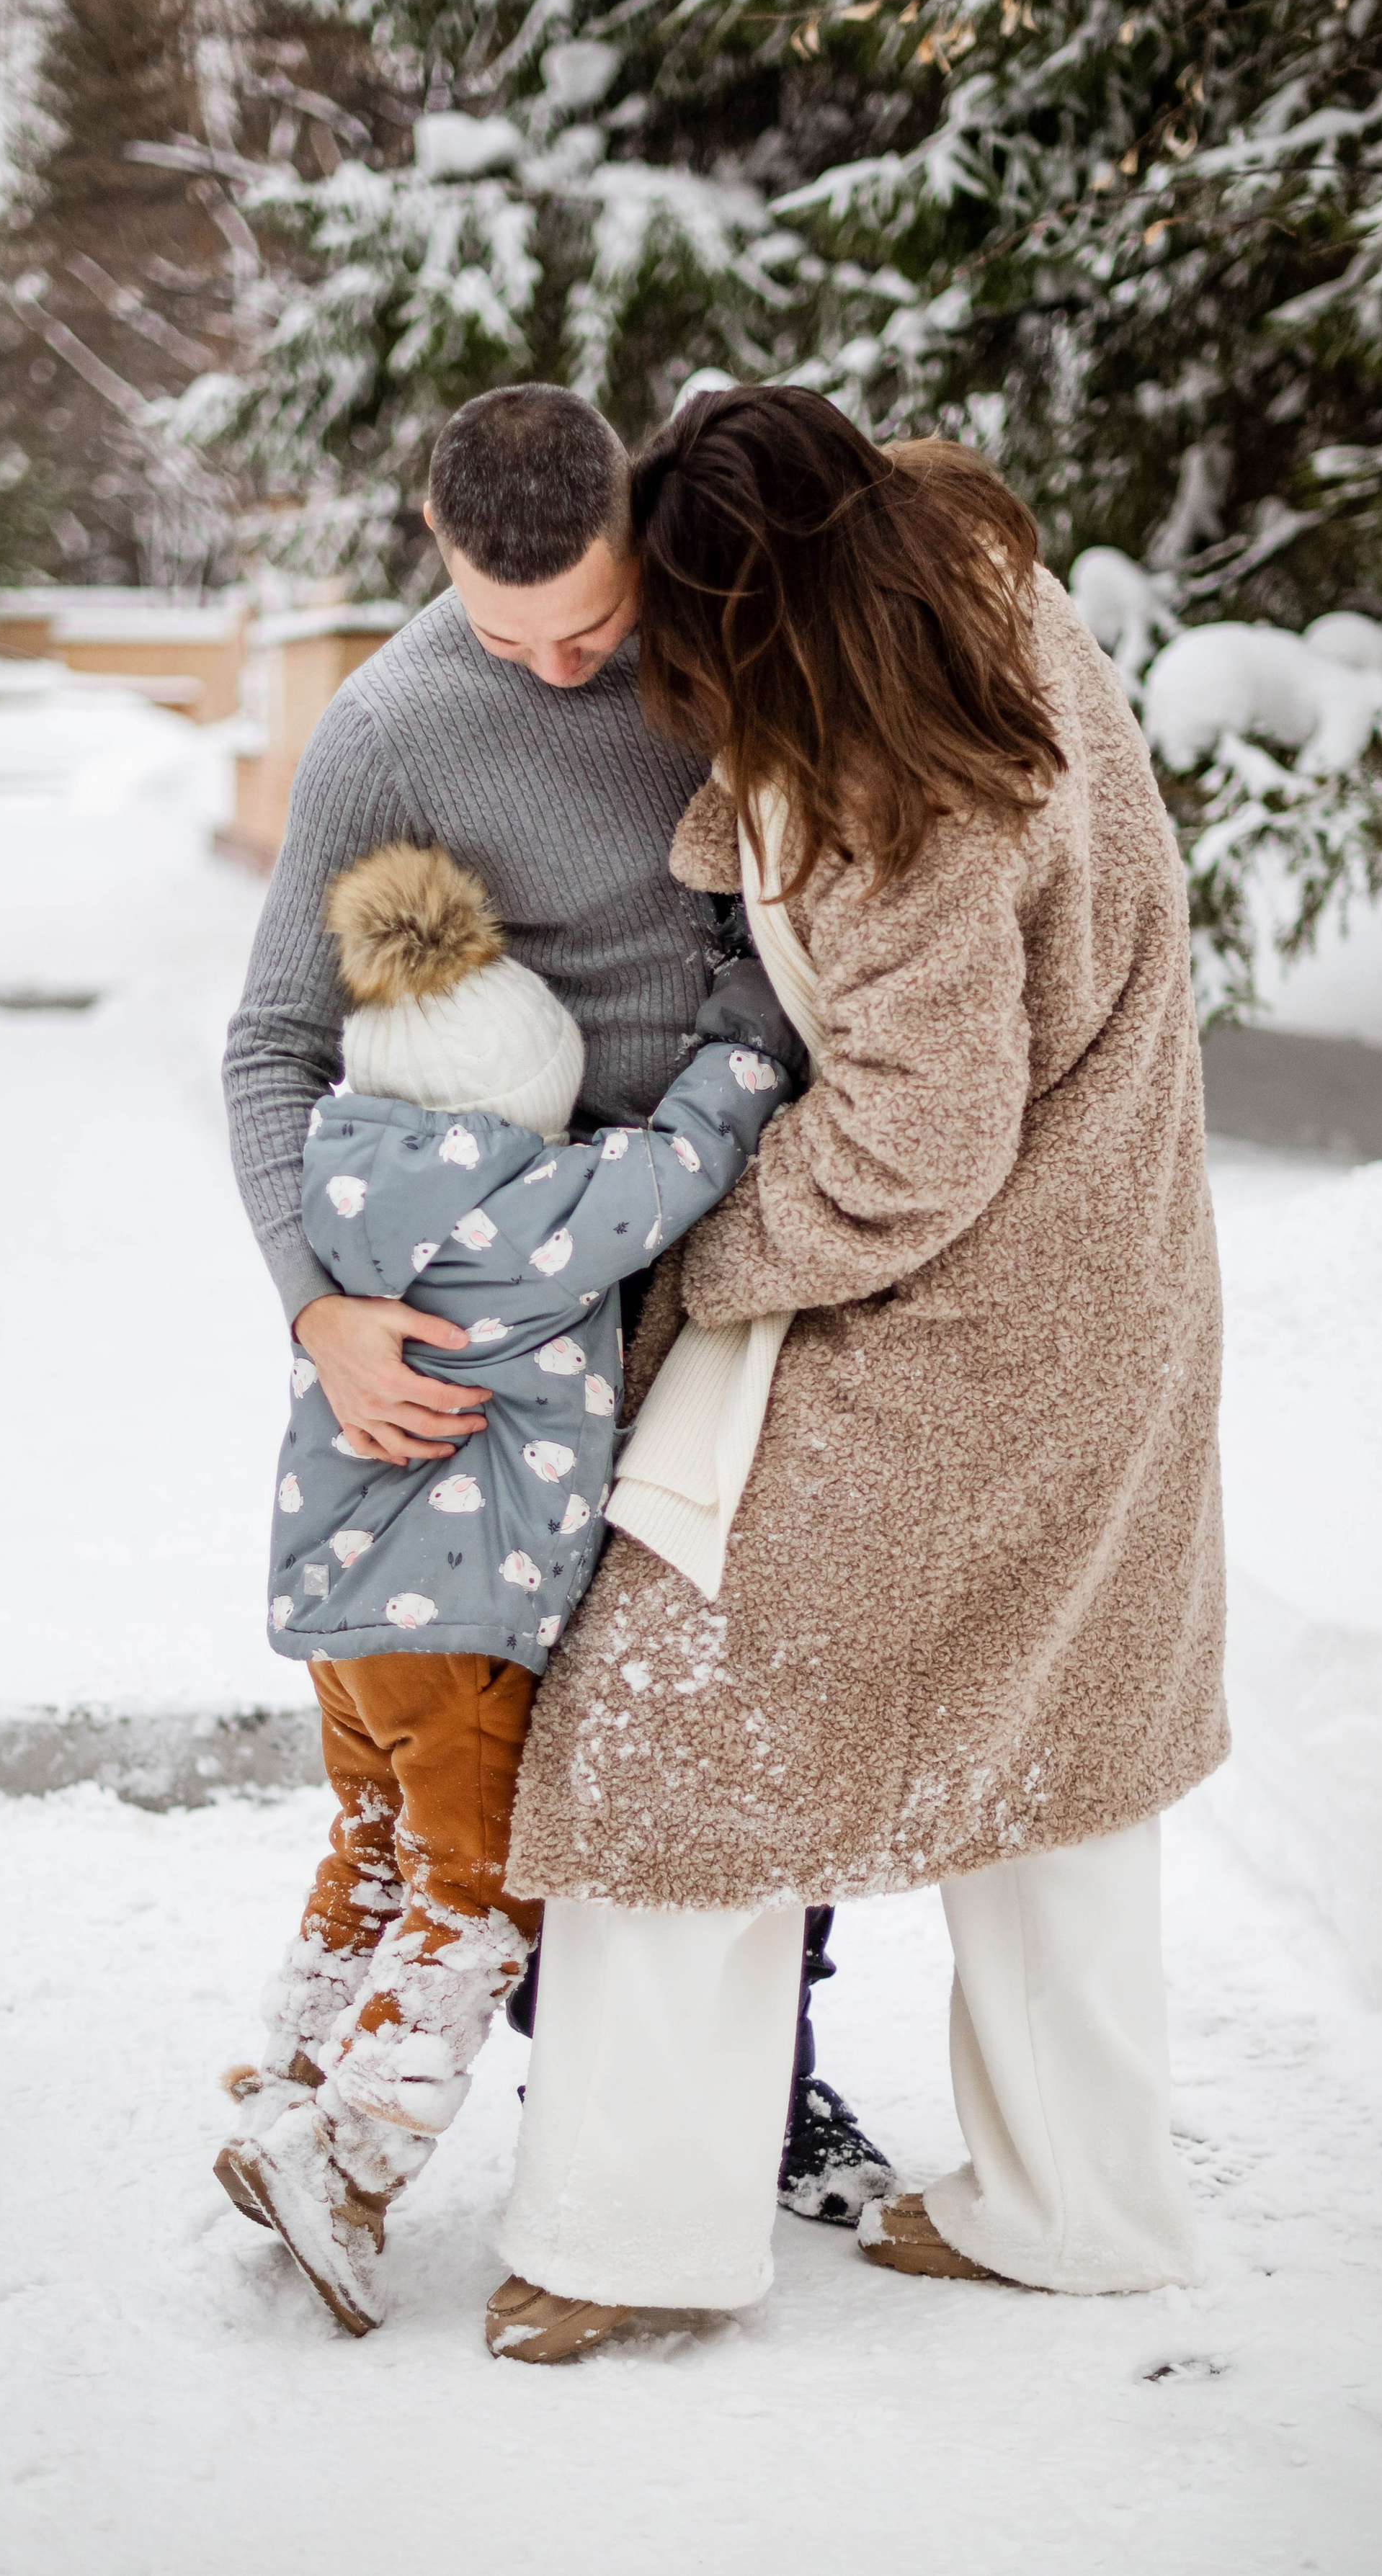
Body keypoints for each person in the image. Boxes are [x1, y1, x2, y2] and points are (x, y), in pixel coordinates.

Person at [489, 387, 1226, 2361]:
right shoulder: (960, 593)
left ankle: (630, 2236)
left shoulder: (897, 781)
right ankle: (1080, 2204)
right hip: (1112, 1280)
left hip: (968, 1310)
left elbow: (908, 1141)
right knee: (1059, 1751)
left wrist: (682, 1264)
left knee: (668, 1712)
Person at [222, 382, 893, 2221]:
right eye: (509, 630)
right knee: (566, 1715)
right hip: (559, 1267)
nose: (559, 661)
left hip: (782, 1227)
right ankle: (576, 2098)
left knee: (753, 1673)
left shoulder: (730, 630)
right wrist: (318, 1310)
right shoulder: (391, 725)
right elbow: (275, 1045)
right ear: (442, 559)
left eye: (589, 624)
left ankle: (773, 2086)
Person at [214, 839, 799, 2333]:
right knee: (472, 1893)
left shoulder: (335, 1178)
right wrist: (748, 1018)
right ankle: (343, 2162)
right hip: (461, 1625)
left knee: (369, 1845)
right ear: (506, 1105)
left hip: (350, 1634)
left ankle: (284, 2073)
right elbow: (677, 1162)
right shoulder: (519, 1208)